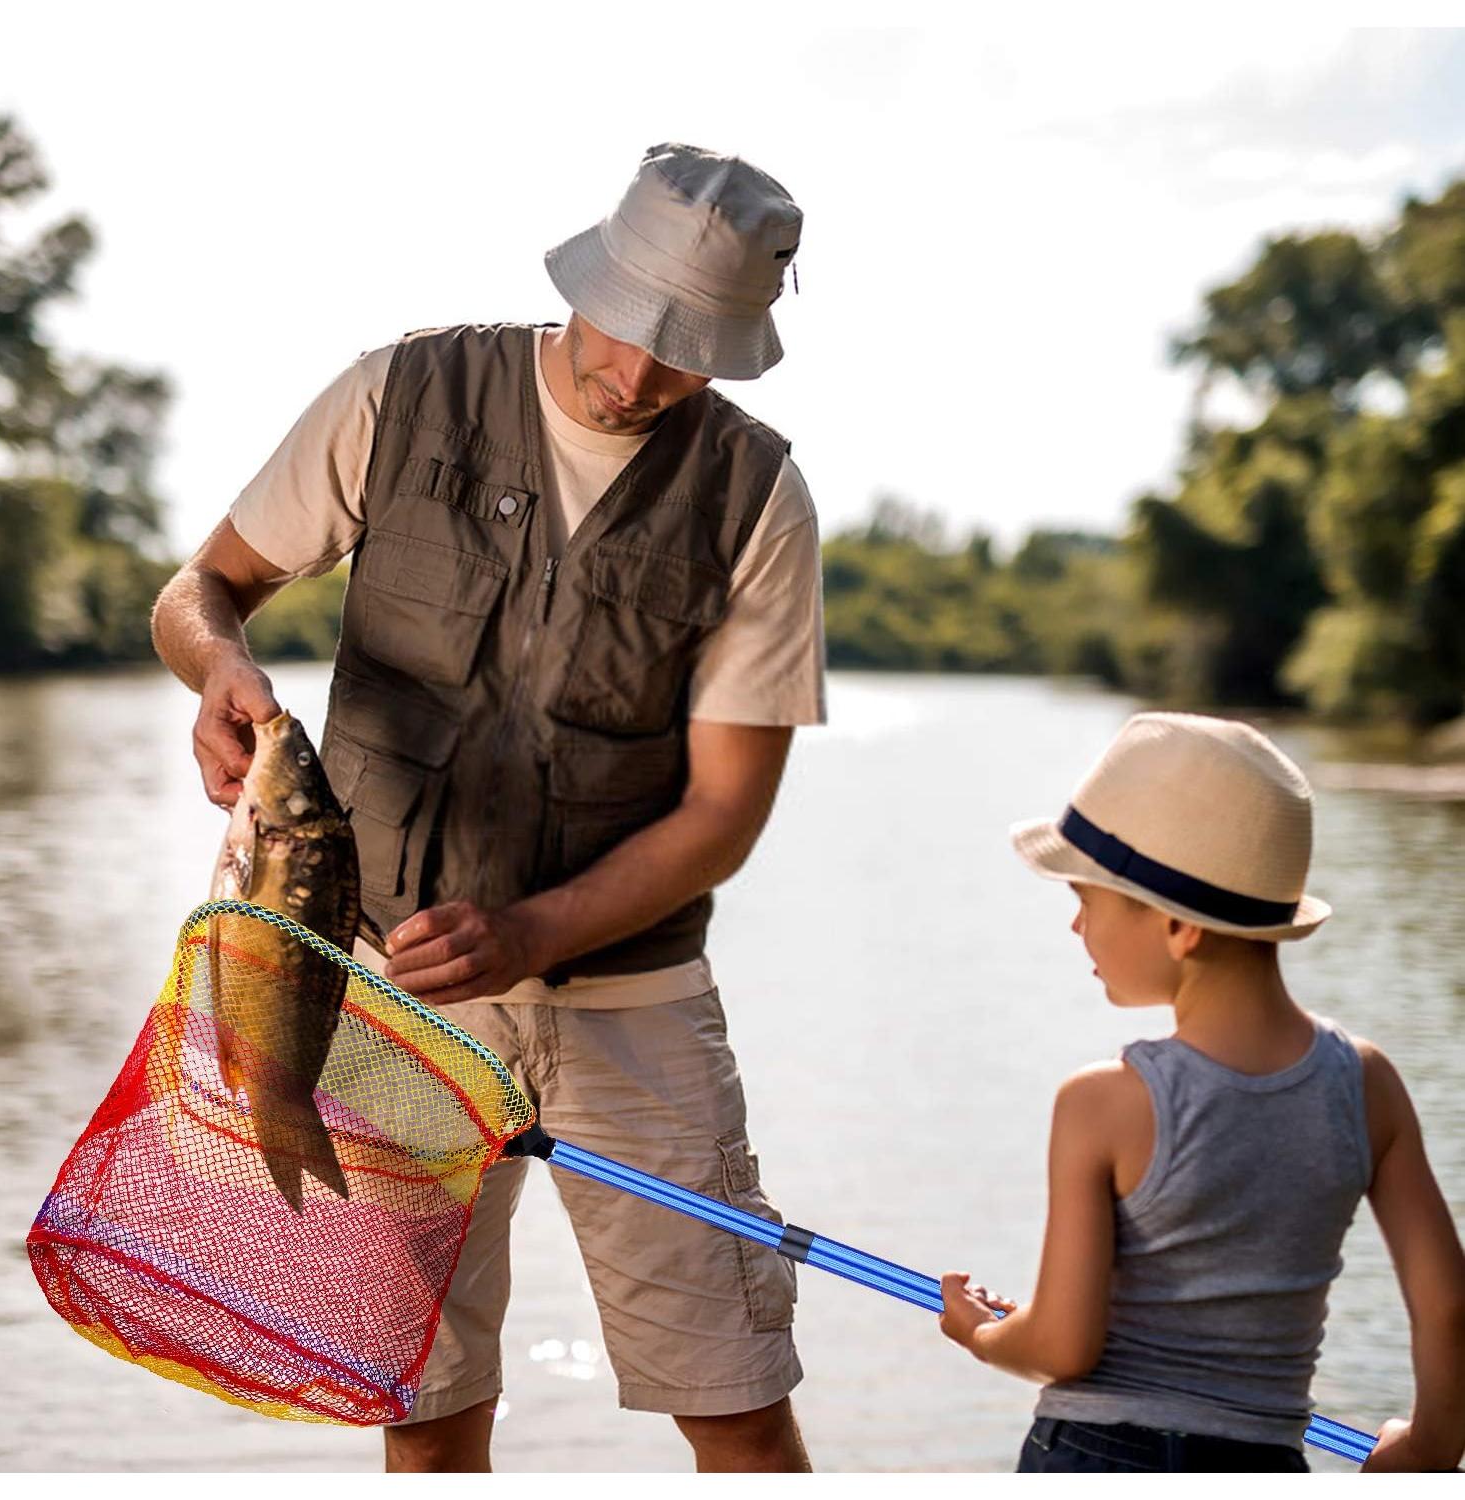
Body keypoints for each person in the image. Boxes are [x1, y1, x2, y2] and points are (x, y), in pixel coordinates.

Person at [151, 143, 823, 1473]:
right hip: (386, 1003)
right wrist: (224, 668)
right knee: (428, 1397)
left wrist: (534, 933)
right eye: (628, 327)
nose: (637, 376)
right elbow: (198, 593)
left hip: (636, 1016)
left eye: (687, 352)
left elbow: (725, 816)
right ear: (587, 275)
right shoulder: (398, 394)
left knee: (735, 1399)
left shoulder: (759, 496)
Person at [936, 712, 1465, 1473]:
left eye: (1090, 900)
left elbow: (1062, 1347)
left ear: (1180, 928)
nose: (1077, 926)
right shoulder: (1367, 1084)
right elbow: (1448, 1308)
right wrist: (1429, 1449)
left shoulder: (1102, 1103)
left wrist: (980, 1332)